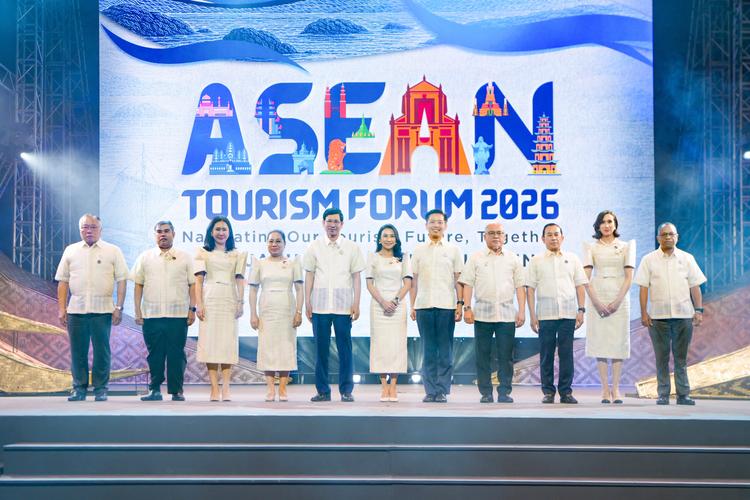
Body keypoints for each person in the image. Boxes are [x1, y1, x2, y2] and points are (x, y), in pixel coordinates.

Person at [56, 214, 128, 402]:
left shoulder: (113, 250)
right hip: (76, 310)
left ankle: (100, 389)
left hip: (103, 310)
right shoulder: (70, 250)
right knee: (77, 351)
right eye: (85, 227)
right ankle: (78, 389)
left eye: (93, 227)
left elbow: (122, 280)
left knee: (102, 351)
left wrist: (119, 307)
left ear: (100, 230)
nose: (89, 231)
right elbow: (63, 281)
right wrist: (62, 309)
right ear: (80, 230)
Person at [634, 222, 706, 406]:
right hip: (658, 318)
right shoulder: (649, 259)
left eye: (671, 234)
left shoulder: (687, 258)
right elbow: (643, 288)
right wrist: (643, 313)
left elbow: (695, 286)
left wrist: (698, 310)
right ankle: (663, 394)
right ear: (658, 238)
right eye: (664, 234)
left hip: (683, 316)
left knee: (681, 358)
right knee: (662, 358)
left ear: (677, 237)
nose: (668, 237)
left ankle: (683, 395)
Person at [304, 208, 365, 402]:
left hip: (343, 306)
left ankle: (346, 390)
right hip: (319, 305)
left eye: (336, 221)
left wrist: (356, 302)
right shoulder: (314, 246)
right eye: (329, 221)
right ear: (323, 223)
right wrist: (307, 301)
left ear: (342, 224)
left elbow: (356, 277)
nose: (332, 225)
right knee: (320, 350)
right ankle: (323, 391)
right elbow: (309, 275)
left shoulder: (352, 247)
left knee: (345, 350)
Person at [460, 222, 526, 403]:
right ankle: (486, 393)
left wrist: (522, 311)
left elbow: (520, 286)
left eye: (499, 233)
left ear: (504, 237)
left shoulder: (513, 258)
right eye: (491, 233)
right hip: (482, 314)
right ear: (485, 237)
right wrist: (467, 308)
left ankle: (504, 392)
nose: (496, 236)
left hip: (507, 315)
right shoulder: (476, 258)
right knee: (483, 356)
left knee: (506, 356)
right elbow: (468, 284)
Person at [131, 221, 196, 402]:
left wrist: (192, 309)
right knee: (155, 355)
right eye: (159, 232)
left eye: (167, 231)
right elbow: (138, 285)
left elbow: (193, 285)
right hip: (151, 315)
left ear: (173, 234)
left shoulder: (185, 257)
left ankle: (177, 391)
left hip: (178, 316)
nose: (163, 234)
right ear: (155, 235)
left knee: (176, 354)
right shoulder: (145, 257)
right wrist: (137, 311)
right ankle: (155, 390)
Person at [527, 223, 587, 404]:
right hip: (545, 315)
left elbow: (580, 285)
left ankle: (566, 392)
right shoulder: (536, 260)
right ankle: (548, 391)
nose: (553, 238)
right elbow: (530, 289)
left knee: (566, 354)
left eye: (556, 234)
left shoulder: (572, 258)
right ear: (542, 238)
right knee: (546, 354)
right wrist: (532, 315)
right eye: (549, 235)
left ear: (562, 237)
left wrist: (581, 310)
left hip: (568, 314)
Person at [410, 209, 463, 403]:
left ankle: (442, 390)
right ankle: (430, 390)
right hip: (423, 305)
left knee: (445, 350)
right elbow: (414, 281)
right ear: (426, 225)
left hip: (446, 306)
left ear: (445, 225)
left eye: (440, 222)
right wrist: (412, 306)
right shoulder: (418, 250)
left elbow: (458, 280)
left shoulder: (453, 250)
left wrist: (460, 304)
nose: (436, 225)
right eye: (432, 222)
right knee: (428, 350)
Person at [582, 210, 635, 404]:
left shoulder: (626, 246)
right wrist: (596, 302)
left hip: (620, 297)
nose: (607, 225)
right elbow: (585, 278)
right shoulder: (591, 247)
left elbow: (629, 277)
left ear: (615, 224)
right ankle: (605, 389)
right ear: (598, 226)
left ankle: (616, 389)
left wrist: (617, 301)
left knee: (618, 343)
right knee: (601, 343)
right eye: (603, 222)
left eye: (610, 221)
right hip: (597, 295)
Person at [194, 216, 247, 402]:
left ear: (229, 232)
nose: (221, 232)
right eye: (217, 229)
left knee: (227, 343)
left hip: (229, 298)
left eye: (224, 229)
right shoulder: (202, 252)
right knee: (210, 343)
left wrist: (240, 302)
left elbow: (240, 279)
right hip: (210, 298)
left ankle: (225, 387)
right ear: (211, 232)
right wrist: (199, 304)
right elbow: (198, 281)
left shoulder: (238, 254)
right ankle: (214, 388)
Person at [249, 230, 303, 402]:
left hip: (287, 309)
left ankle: (283, 388)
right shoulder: (260, 263)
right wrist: (253, 314)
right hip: (267, 310)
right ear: (267, 243)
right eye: (271, 241)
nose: (274, 244)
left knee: (286, 348)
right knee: (268, 348)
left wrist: (299, 312)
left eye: (278, 241)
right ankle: (271, 388)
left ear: (284, 244)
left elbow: (299, 289)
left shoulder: (293, 263)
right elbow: (253, 290)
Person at [365, 224, 412, 402]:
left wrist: (394, 301)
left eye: (392, 236)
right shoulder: (373, 257)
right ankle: (384, 387)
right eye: (385, 236)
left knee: (396, 345)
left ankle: (393, 386)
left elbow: (407, 284)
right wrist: (383, 302)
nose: (388, 239)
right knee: (380, 345)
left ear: (396, 239)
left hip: (397, 307)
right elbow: (370, 284)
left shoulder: (403, 258)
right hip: (378, 307)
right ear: (379, 239)